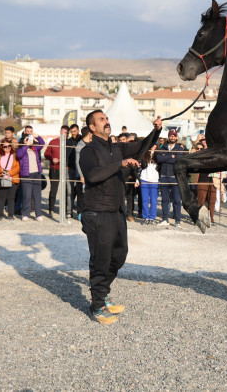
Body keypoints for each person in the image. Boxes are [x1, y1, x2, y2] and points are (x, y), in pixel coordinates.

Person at [79, 110, 161, 324]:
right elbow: (93, 176)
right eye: (101, 120)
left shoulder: (116, 147)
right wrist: (120, 164)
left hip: (116, 211)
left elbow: (142, 146)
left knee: (119, 255)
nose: (106, 121)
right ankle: (97, 305)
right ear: (92, 128)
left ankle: (102, 294)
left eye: (106, 118)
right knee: (100, 259)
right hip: (97, 212)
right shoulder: (88, 151)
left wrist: (157, 130)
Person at [155, 129, 187, 227]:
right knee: (164, 200)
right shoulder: (163, 147)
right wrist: (171, 156)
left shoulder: (179, 148)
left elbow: (178, 160)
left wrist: (166, 157)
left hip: (175, 177)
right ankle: (165, 219)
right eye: (171, 135)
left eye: (174, 135)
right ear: (168, 137)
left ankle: (177, 221)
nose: (172, 137)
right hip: (164, 176)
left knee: (177, 200)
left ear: (176, 137)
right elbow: (158, 159)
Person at [16, 128, 45, 221]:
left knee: (37, 196)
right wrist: (25, 145)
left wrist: (36, 135)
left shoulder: (35, 148)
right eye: (27, 139)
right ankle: (26, 214)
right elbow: (19, 155)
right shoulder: (21, 149)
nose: (29, 141)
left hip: (36, 174)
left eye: (30, 139)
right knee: (26, 195)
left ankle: (38, 214)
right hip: (26, 175)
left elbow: (42, 143)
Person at [44, 125, 71, 217]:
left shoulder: (69, 143)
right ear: (60, 132)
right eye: (64, 132)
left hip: (66, 169)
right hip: (54, 168)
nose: (66, 134)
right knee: (53, 190)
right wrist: (52, 158)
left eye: (67, 133)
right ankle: (51, 209)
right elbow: (46, 154)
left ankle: (66, 210)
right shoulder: (53, 142)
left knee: (67, 191)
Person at [0, 138, 20, 220]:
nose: (7, 148)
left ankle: (10, 215)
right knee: (1, 198)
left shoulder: (15, 155)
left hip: (13, 179)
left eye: (9, 146)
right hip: (1, 178)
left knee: (11, 198)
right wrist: (1, 170)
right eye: (5, 147)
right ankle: (0, 214)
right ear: (1, 147)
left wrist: (10, 172)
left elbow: (18, 167)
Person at [74, 126, 93, 217]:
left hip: (90, 174)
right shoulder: (80, 145)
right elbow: (77, 162)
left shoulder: (90, 144)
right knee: (81, 195)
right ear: (89, 133)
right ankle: (80, 213)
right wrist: (81, 175)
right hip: (81, 176)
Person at [139, 147, 159, 224]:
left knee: (153, 200)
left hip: (154, 180)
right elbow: (139, 167)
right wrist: (138, 180)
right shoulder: (144, 153)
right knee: (145, 200)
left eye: (154, 144)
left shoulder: (158, 154)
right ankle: (146, 217)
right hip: (144, 178)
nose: (152, 146)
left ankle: (152, 217)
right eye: (151, 144)